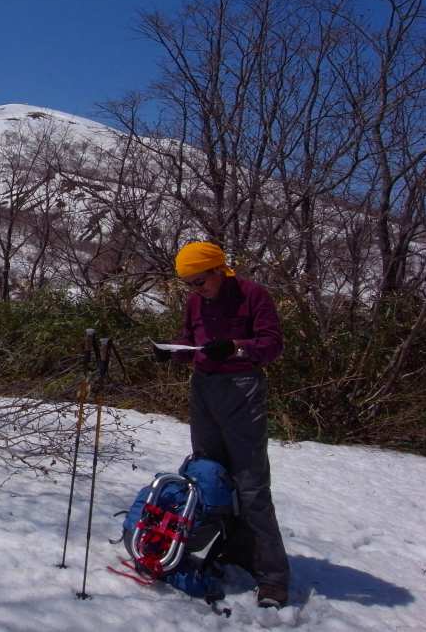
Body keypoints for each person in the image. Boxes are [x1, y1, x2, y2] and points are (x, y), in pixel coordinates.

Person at [153, 241, 290, 609]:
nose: (195, 290)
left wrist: (235, 347)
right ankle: (234, 550)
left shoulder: (252, 295)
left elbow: (272, 344)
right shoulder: (196, 302)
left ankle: (274, 578)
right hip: (204, 390)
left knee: (251, 485)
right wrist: (173, 350)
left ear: (218, 270)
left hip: (242, 390)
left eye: (199, 281)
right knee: (210, 476)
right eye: (189, 284)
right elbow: (189, 338)